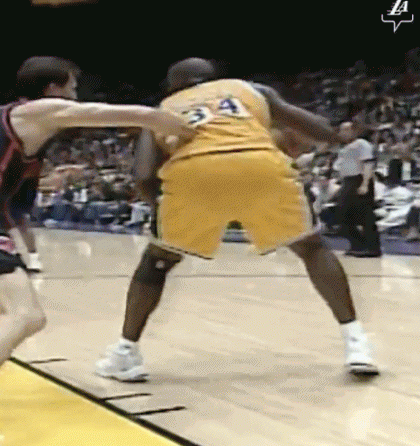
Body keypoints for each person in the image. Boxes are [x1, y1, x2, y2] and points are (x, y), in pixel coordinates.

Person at [0, 55, 194, 446]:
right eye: (72, 87)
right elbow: (100, 113)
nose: (75, 96)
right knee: (22, 315)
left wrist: (46, 180)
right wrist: (164, 119)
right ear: (53, 89)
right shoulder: (37, 110)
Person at [95, 57, 379, 383]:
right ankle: (356, 343)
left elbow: (144, 175)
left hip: (194, 174)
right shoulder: (250, 90)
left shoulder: (164, 108)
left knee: (156, 263)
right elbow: (318, 129)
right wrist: (328, 136)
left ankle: (126, 353)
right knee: (312, 248)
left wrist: (159, 208)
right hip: (259, 164)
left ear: (174, 86)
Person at [334, 122, 382, 257]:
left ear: (354, 131)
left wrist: (365, 184)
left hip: (359, 179)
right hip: (348, 181)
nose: (343, 133)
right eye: (341, 130)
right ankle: (357, 245)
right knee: (342, 214)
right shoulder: (344, 148)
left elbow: (368, 164)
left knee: (365, 215)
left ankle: (373, 248)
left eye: (346, 130)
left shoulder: (362, 144)